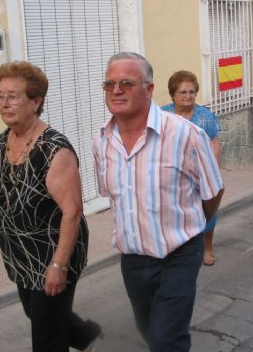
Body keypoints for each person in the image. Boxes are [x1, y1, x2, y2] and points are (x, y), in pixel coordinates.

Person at [0, 61, 101, 352]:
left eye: (13, 96)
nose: (4, 103)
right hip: (19, 253)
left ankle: (84, 335)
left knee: (47, 335)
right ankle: (89, 335)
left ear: (36, 101)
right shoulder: (2, 142)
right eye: (0, 96)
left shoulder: (53, 150)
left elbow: (72, 212)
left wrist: (59, 266)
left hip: (52, 252)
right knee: (36, 314)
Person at [93, 52, 224, 352]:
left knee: (167, 339)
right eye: (109, 83)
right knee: (148, 332)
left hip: (178, 254)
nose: (116, 90)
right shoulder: (101, 139)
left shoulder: (186, 134)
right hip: (133, 259)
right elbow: (114, 198)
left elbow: (213, 191)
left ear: (149, 89)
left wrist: (194, 225)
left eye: (126, 83)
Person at [162, 70, 221, 267]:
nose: (188, 96)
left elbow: (215, 145)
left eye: (191, 92)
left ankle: (207, 247)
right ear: (173, 94)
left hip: (199, 175)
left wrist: (213, 174)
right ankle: (176, 246)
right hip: (172, 174)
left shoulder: (206, 117)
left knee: (206, 212)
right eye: (182, 92)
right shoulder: (163, 115)